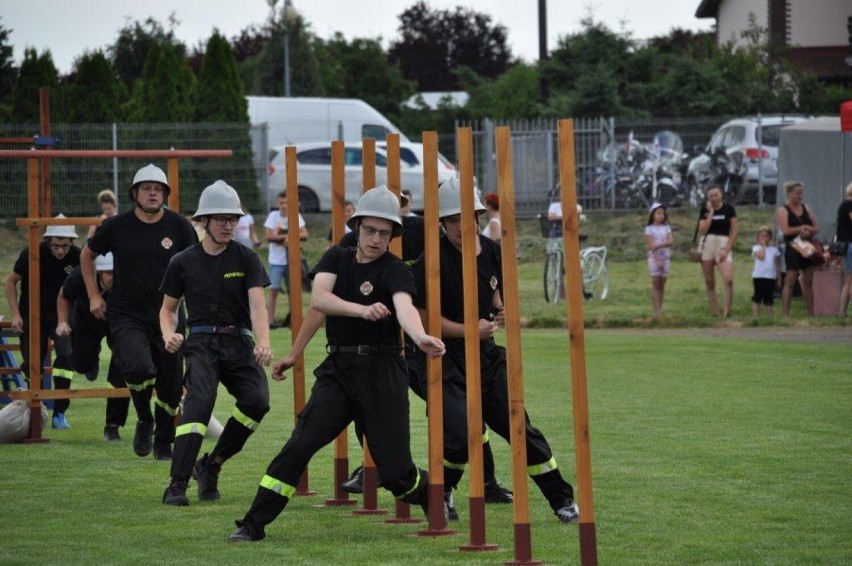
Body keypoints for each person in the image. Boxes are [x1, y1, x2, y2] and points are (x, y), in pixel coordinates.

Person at [228, 186, 445, 542]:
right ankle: (253, 525)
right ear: (356, 226)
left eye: (384, 233)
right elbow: (320, 300)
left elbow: (404, 308)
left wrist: (420, 337)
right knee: (299, 445)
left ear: (393, 235)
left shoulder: (396, 271)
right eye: (370, 230)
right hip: (339, 372)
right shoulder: (335, 258)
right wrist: (295, 353)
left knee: (396, 475)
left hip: (384, 374)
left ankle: (432, 497)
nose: (376, 239)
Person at [411, 176, 580, 524]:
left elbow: (493, 286)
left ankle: (562, 500)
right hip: (446, 357)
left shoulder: (490, 249)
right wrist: (470, 329)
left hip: (487, 356)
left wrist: (499, 306)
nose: (461, 226)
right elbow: (426, 321)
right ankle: (442, 492)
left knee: (520, 428)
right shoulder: (433, 258)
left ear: (477, 216)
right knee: (459, 434)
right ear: (442, 224)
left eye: (466, 217)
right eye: (452, 220)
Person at [160, 180, 272, 506]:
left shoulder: (247, 259)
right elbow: (167, 310)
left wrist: (263, 340)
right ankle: (177, 484)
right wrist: (169, 334)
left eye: (233, 219)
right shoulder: (182, 261)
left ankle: (211, 465)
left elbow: (258, 307)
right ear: (204, 221)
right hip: (201, 342)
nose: (228, 225)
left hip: (238, 341)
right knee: (198, 405)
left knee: (258, 402)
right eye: (221, 219)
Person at [81, 163, 198, 460]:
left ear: (165, 195)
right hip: (126, 314)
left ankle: (163, 440)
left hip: (169, 316)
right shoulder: (116, 226)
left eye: (158, 189)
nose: (153, 193)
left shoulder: (180, 227)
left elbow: (196, 267)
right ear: (135, 193)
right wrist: (95, 296)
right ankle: (144, 418)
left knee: (171, 389)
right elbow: (87, 254)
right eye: (147, 188)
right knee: (137, 368)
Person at [4, 215, 80, 429]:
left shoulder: (76, 255)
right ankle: (33, 410)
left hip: (60, 316)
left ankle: (60, 412)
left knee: (66, 357)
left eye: (65, 246)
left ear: (71, 242)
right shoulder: (32, 252)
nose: (60, 251)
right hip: (31, 313)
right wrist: (16, 314)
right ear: (48, 240)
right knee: (32, 365)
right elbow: (10, 282)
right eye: (56, 245)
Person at [56, 252, 130, 440]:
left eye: (117, 273)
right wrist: (63, 322)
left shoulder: (130, 277)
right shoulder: (79, 276)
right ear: (99, 272)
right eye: (109, 273)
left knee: (123, 368)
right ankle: (92, 358)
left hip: (118, 324)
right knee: (81, 365)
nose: (114, 278)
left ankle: (113, 425)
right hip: (85, 323)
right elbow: (63, 295)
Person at [263, 191, 308, 328]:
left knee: (293, 290)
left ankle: (293, 319)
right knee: (273, 290)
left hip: (292, 260)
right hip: (276, 260)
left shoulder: (296, 216)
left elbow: (305, 234)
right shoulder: (273, 216)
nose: (284, 206)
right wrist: (287, 237)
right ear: (278, 204)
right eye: (281, 203)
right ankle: (270, 320)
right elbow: (268, 236)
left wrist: (291, 237)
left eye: (287, 203)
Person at [777, 181, 820, 317]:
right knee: (791, 279)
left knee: (808, 281)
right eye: (797, 193)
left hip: (806, 246)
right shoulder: (783, 210)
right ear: (789, 194)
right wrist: (801, 228)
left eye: (801, 193)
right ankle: (785, 314)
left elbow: (816, 227)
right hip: (793, 246)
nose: (800, 196)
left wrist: (809, 231)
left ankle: (811, 313)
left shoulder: (806, 208)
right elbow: (786, 230)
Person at [698, 184, 738, 317]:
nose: (714, 198)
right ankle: (716, 312)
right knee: (709, 281)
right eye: (711, 196)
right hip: (707, 243)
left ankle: (727, 312)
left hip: (723, 243)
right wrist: (711, 213)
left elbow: (734, 231)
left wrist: (727, 249)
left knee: (728, 279)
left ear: (721, 195)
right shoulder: (705, 210)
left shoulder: (729, 209)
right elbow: (702, 230)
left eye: (716, 195)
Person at [644, 202, 673, 315]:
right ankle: (656, 310)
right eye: (658, 213)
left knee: (662, 284)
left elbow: (670, 241)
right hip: (654, 258)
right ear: (653, 215)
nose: (661, 215)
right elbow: (651, 246)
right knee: (656, 284)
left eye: (662, 213)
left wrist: (659, 245)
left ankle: (660, 307)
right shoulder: (649, 229)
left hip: (666, 257)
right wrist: (658, 260)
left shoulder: (667, 228)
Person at [750, 226, 781, 318]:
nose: (764, 238)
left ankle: (770, 316)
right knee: (758, 296)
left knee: (769, 297)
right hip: (759, 276)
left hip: (770, 277)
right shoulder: (756, 248)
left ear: (770, 237)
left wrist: (778, 279)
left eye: (766, 236)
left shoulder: (774, 250)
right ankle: (756, 317)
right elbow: (761, 257)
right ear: (758, 238)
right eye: (762, 236)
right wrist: (763, 246)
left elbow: (777, 265)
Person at [836, 181, 852, 317]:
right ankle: (843, 311)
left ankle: (842, 312)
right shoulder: (849, 204)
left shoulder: (844, 204)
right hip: (850, 245)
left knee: (848, 279)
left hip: (846, 245)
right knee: (850, 280)